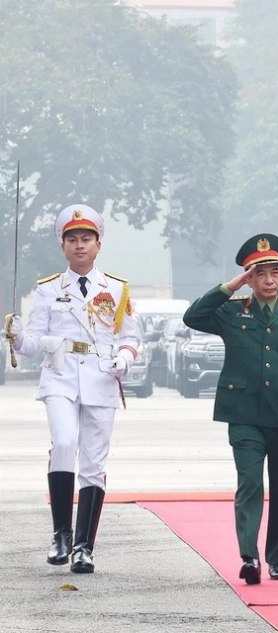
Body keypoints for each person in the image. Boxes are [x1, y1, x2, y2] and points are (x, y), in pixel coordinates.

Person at [5, 204, 140, 574]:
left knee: (94, 463)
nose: (79, 245)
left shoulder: (116, 288)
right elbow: (34, 343)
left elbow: (130, 338)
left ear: (99, 244)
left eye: (86, 238)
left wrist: (124, 360)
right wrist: (15, 338)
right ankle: (60, 535)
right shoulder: (48, 290)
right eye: (72, 239)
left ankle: (84, 547)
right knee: (64, 442)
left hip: (100, 378)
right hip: (61, 375)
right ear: (63, 246)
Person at [182, 234, 278, 585]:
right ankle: (249, 556)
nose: (269, 280)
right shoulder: (232, 312)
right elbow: (192, 316)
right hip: (244, 415)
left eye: (274, 273)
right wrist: (231, 286)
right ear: (249, 277)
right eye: (260, 274)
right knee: (249, 483)